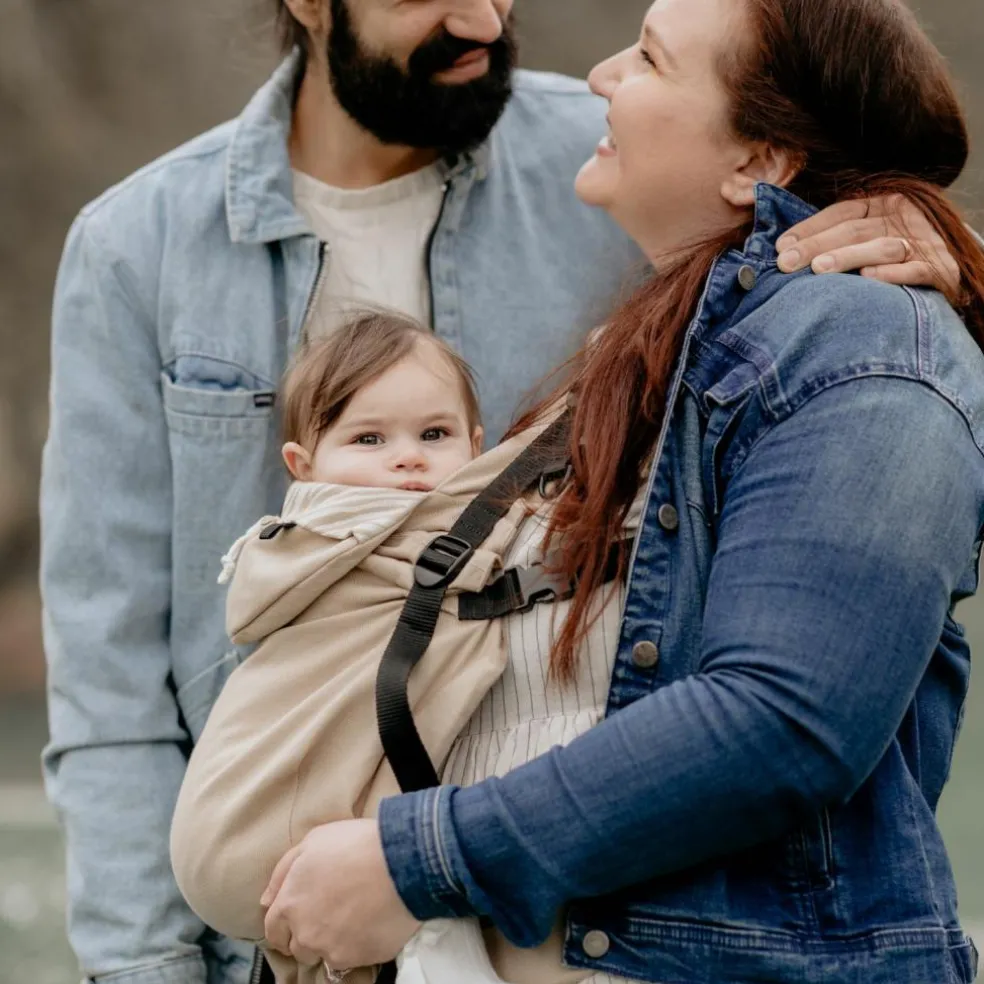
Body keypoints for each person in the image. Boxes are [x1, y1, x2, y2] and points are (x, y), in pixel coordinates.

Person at [40, 0, 964, 981]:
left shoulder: (608, 165)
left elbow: (831, 279)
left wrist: (926, 240)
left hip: (524, 905)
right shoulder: (135, 243)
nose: (481, 16)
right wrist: (148, 966)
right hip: (286, 937)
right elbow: (108, 669)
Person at [169, 311, 555, 984]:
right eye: (368, 437)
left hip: (303, 870)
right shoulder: (346, 534)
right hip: (312, 856)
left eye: (433, 434)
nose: (406, 457)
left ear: (475, 443)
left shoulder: (417, 526)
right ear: (304, 466)